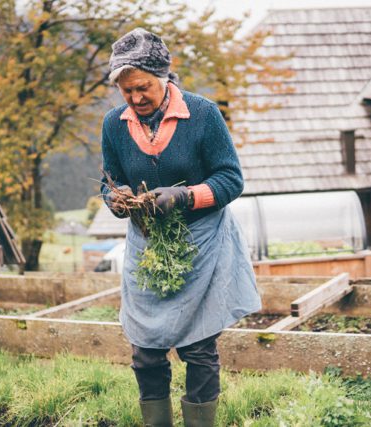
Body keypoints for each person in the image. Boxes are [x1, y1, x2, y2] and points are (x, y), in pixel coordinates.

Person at [101, 28, 261, 427]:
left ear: (164, 76)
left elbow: (231, 179)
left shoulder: (203, 114)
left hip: (202, 245)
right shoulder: (114, 125)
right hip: (149, 247)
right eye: (127, 91)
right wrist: (116, 198)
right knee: (145, 351)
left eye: (143, 88)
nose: (136, 99)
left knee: (199, 349)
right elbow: (110, 180)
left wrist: (185, 197)